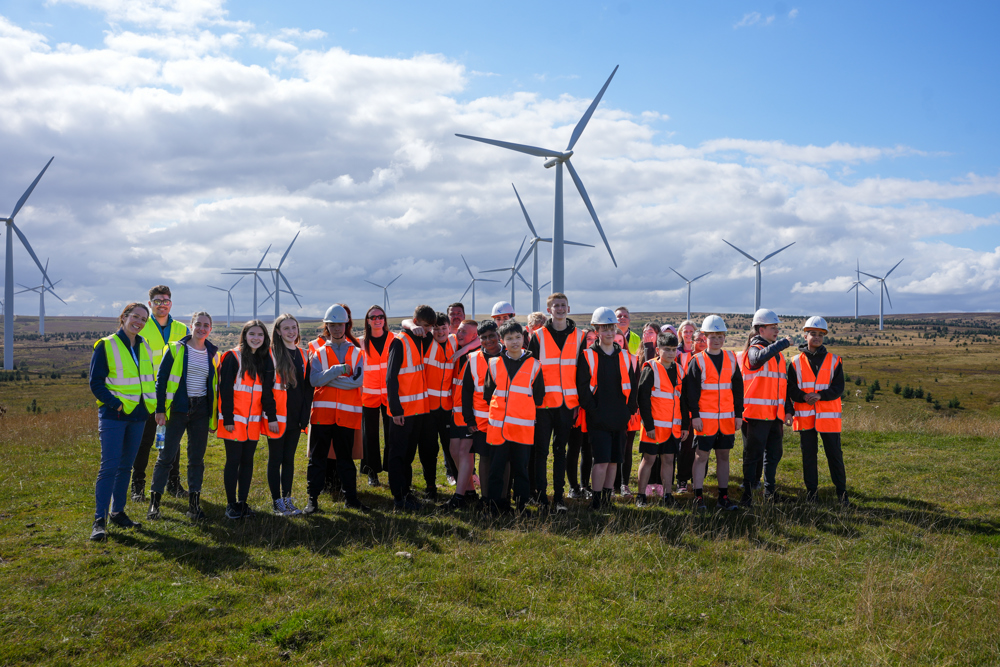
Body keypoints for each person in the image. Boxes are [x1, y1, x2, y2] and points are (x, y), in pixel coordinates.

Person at [89, 302, 155, 541]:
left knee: (126, 466)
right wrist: (115, 404)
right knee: (109, 467)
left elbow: (148, 379)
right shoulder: (106, 345)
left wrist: (150, 406)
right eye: (135, 317)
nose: (139, 322)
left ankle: (117, 512)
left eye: (144, 319)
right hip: (114, 416)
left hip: (139, 416)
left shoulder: (144, 345)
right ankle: (99, 520)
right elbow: (95, 382)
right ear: (124, 317)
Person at [147, 311, 218, 522]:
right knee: (166, 456)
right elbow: (161, 380)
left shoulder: (213, 354)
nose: (202, 328)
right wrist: (160, 410)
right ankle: (154, 504)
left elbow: (214, 387)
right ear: (191, 325)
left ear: (210, 329)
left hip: (201, 411)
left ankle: (194, 506)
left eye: (206, 325)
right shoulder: (176, 349)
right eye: (198, 324)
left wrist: (213, 416)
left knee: (196, 459)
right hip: (177, 409)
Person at [526, 293, 587, 513]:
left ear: (568, 308)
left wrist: (578, 402)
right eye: (555, 306)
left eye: (563, 305)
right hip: (543, 404)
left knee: (561, 451)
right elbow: (531, 369)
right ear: (549, 310)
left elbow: (582, 371)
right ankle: (542, 497)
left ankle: (559, 498)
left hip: (567, 404)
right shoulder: (538, 336)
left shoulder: (580, 336)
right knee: (541, 452)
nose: (560, 309)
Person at [305, 304, 368, 513]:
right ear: (327, 326)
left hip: (347, 415)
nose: (337, 328)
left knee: (346, 460)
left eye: (340, 324)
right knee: (317, 460)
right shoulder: (318, 353)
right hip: (322, 416)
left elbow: (357, 382)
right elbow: (314, 381)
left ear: (346, 325)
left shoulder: (358, 353)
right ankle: (312, 501)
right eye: (332, 325)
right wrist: (338, 370)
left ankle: (351, 499)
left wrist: (328, 379)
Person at [130, 285, 189, 502]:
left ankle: (173, 483)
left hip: (172, 395)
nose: (161, 305)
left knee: (172, 442)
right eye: (157, 301)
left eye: (165, 301)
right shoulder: (141, 327)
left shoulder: (182, 329)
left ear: (170, 303)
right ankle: (137, 486)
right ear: (150, 304)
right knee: (144, 442)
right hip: (147, 395)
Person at [577, 307, 638, 511]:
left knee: (614, 461)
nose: (609, 332)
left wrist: (628, 412)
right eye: (604, 328)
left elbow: (633, 387)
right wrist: (594, 412)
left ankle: (606, 500)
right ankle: (596, 502)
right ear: (596, 331)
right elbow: (583, 389)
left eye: (611, 328)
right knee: (601, 461)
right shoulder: (587, 356)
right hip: (598, 418)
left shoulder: (625, 357)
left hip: (619, 418)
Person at [483, 321, 545, 515]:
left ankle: (521, 507)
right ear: (502, 340)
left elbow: (539, 396)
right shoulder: (494, 364)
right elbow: (488, 394)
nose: (514, 341)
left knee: (521, 470)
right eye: (509, 338)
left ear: (524, 338)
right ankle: (493, 507)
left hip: (522, 428)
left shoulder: (535, 365)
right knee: (496, 470)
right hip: (498, 428)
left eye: (518, 337)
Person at [217, 320, 277, 519]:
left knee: (247, 462)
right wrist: (227, 418)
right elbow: (225, 390)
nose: (256, 338)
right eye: (252, 334)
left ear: (265, 338)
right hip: (233, 421)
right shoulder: (232, 357)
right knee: (233, 461)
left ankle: (242, 503)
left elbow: (266, 392)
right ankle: (230, 504)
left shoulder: (264, 360)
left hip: (252, 422)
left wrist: (271, 417)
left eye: (260, 335)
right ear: (244, 335)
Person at [683, 315, 743, 512]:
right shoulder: (697, 361)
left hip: (726, 419)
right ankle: (698, 497)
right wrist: (695, 416)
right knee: (701, 457)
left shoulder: (731, 358)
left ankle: (723, 497)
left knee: (724, 456)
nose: (717, 340)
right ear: (705, 337)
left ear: (724, 337)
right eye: (712, 336)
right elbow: (691, 393)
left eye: (720, 336)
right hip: (704, 420)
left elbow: (738, 389)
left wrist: (738, 414)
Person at [788, 316, 849, 506]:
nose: (817, 337)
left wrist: (820, 395)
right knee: (809, 457)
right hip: (805, 417)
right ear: (805, 336)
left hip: (828, 418)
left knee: (835, 456)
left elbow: (838, 387)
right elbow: (791, 388)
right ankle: (812, 494)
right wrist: (804, 396)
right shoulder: (795, 361)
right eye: (813, 333)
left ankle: (842, 494)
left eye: (820, 334)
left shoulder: (834, 360)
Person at [739, 308, 793, 507]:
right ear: (761, 330)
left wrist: (788, 410)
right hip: (756, 415)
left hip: (775, 416)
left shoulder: (777, 356)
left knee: (774, 455)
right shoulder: (754, 350)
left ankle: (770, 493)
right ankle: (747, 495)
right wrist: (783, 343)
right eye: (773, 327)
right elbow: (756, 360)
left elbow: (782, 385)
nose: (777, 330)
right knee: (752, 456)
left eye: (777, 327)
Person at [385, 304, 435, 511]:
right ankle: (398, 497)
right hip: (402, 412)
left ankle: (406, 492)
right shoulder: (400, 342)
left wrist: (415, 327)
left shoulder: (422, 339)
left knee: (408, 455)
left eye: (430, 327)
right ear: (415, 323)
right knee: (398, 454)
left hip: (417, 410)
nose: (427, 331)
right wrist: (396, 410)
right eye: (424, 326)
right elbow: (390, 378)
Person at [267, 314, 313, 516]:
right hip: (277, 418)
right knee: (275, 459)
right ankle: (276, 502)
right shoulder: (271, 354)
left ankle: (287, 499)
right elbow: (266, 390)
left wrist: (304, 416)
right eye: (286, 328)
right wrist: (271, 417)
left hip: (295, 417)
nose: (291, 331)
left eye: (294, 327)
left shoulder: (304, 354)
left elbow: (307, 389)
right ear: (278, 331)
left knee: (289, 459)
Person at [636, 331, 688, 507]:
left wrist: (685, 425)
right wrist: (648, 425)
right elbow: (642, 399)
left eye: (674, 349)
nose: (671, 353)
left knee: (668, 460)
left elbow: (683, 401)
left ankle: (668, 496)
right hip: (653, 427)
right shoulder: (650, 368)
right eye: (667, 349)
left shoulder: (680, 370)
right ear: (658, 350)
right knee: (649, 459)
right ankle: (640, 496)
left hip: (673, 428)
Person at [463, 319, 506, 504]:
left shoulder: (510, 355)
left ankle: (503, 499)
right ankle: (486, 498)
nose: (488, 340)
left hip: (506, 419)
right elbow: (466, 392)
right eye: (483, 337)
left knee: (505, 460)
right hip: (482, 422)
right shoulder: (473, 359)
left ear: (498, 335)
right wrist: (469, 419)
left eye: (491, 336)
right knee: (485, 458)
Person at [441, 319, 482, 510]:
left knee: (465, 452)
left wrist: (467, 348)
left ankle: (459, 497)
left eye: (465, 332)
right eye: (459, 330)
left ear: (474, 336)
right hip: (455, 411)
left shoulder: (477, 354)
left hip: (469, 413)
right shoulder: (455, 348)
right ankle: (470, 491)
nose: (459, 334)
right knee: (453, 450)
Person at [419, 312, 458, 501]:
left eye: (444, 328)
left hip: (448, 408)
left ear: (450, 328)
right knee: (429, 449)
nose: (440, 332)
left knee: (451, 449)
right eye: (436, 328)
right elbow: (407, 323)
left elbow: (475, 339)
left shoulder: (454, 342)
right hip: (428, 408)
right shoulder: (426, 342)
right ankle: (430, 486)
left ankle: (461, 488)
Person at [360, 304, 393, 487]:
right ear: (368, 321)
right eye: (373, 317)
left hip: (390, 396)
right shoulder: (361, 343)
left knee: (392, 434)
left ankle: (392, 468)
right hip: (369, 395)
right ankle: (372, 472)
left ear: (384, 319)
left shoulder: (394, 339)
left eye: (380, 316)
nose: (377, 320)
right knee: (370, 435)